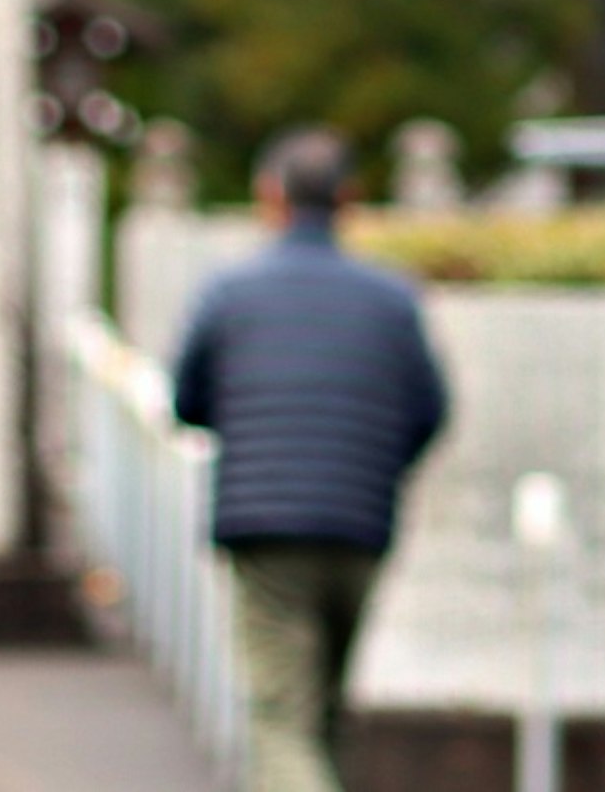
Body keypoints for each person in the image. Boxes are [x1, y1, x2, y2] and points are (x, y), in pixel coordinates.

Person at [174, 129, 450, 792]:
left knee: (279, 714)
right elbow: (430, 409)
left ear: (269, 196)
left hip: (263, 521)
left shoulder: (230, 292)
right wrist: (376, 463)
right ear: (349, 199)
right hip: (360, 521)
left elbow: (187, 399)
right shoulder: (393, 299)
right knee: (324, 703)